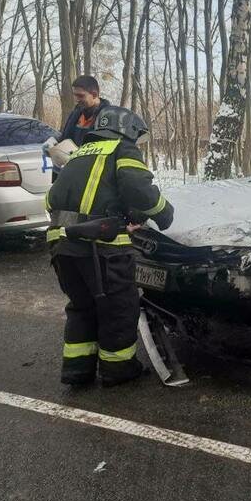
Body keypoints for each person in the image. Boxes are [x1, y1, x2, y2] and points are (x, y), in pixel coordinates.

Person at [45, 105, 174, 387]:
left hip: (61, 244)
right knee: (118, 308)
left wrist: (117, 214)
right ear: (126, 129)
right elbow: (140, 190)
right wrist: (164, 214)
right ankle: (118, 369)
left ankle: (77, 370)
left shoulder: (79, 154)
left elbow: (52, 199)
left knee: (82, 307)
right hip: (100, 247)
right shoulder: (121, 150)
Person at [59, 75, 111, 147]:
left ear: (94, 94)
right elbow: (65, 138)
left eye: (80, 96)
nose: (76, 100)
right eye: (75, 95)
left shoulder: (110, 117)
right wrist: (54, 147)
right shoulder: (75, 113)